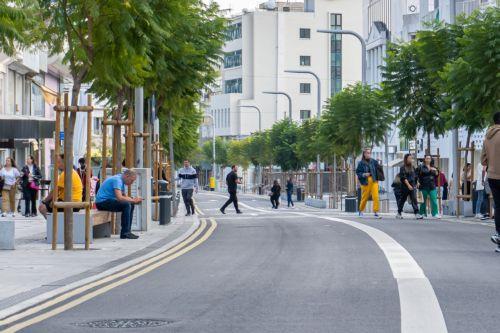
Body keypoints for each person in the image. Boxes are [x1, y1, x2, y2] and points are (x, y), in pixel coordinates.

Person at [95, 169, 142, 239]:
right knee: (126, 205)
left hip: (107, 201)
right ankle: (125, 233)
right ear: (127, 176)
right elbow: (120, 197)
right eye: (131, 180)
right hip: (101, 203)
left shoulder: (120, 179)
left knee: (130, 204)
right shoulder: (117, 180)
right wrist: (133, 200)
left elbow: (124, 196)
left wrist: (133, 200)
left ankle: (127, 231)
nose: (132, 183)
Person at [39, 154, 83, 218]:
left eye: (58, 162)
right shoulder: (73, 172)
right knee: (52, 204)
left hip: (70, 203)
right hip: (76, 202)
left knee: (42, 207)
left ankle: (52, 225)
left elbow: (55, 191)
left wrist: (45, 201)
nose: (57, 165)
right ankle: (55, 223)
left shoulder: (65, 173)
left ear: (64, 162)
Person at [481, 111, 500, 252]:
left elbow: (483, 160)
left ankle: (499, 236)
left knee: (498, 206)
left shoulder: (488, 136)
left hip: (492, 176)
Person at [355, 148, 382, 219]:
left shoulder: (373, 161)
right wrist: (364, 174)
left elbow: (379, 168)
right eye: (367, 153)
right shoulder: (361, 163)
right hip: (365, 181)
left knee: (376, 196)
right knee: (365, 197)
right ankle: (361, 210)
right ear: (364, 154)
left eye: (369, 153)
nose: (369, 154)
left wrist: (379, 162)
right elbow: (358, 172)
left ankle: (376, 212)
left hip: (374, 180)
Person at [397, 153, 423, 220]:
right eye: (409, 158)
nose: (411, 159)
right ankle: (399, 213)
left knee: (414, 199)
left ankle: (417, 213)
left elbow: (415, 176)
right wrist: (408, 185)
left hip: (413, 185)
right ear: (406, 159)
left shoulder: (412, 167)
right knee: (402, 200)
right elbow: (403, 177)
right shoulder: (402, 167)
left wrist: (417, 182)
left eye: (411, 158)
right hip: (405, 186)